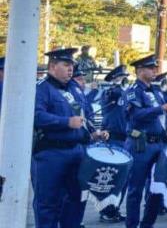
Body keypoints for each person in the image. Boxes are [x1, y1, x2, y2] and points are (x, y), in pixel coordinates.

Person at [32, 47, 108, 228]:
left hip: (78, 151)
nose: (70, 69)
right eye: (66, 65)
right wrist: (65, 122)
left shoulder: (75, 89)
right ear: (52, 66)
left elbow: (84, 116)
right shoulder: (42, 89)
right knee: (48, 203)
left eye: (71, 65)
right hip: (51, 152)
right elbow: (36, 116)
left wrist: (93, 134)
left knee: (76, 200)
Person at [124, 55, 167, 228]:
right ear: (140, 71)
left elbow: (162, 119)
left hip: (159, 144)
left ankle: (147, 224)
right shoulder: (133, 91)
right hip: (141, 145)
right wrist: (160, 108)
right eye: (151, 68)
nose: (155, 71)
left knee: (157, 188)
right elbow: (136, 115)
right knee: (135, 190)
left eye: (155, 68)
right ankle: (132, 225)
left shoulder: (156, 92)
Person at [99, 65, 131, 223]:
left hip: (123, 139)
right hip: (113, 138)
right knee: (113, 177)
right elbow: (113, 94)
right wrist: (116, 84)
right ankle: (107, 209)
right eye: (120, 77)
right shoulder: (109, 93)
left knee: (123, 178)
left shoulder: (123, 94)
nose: (124, 80)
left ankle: (114, 208)